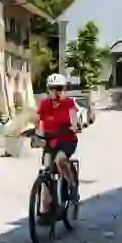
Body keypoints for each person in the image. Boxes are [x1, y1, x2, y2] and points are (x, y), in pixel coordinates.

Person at [35, 72, 80, 224]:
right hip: (50, 141)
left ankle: (72, 185)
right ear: (48, 90)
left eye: (59, 89)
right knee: (46, 172)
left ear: (64, 89)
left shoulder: (69, 103)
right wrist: (38, 137)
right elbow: (40, 124)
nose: (56, 92)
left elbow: (74, 122)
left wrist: (74, 127)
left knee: (60, 159)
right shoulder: (44, 104)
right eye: (52, 89)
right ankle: (45, 210)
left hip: (67, 140)